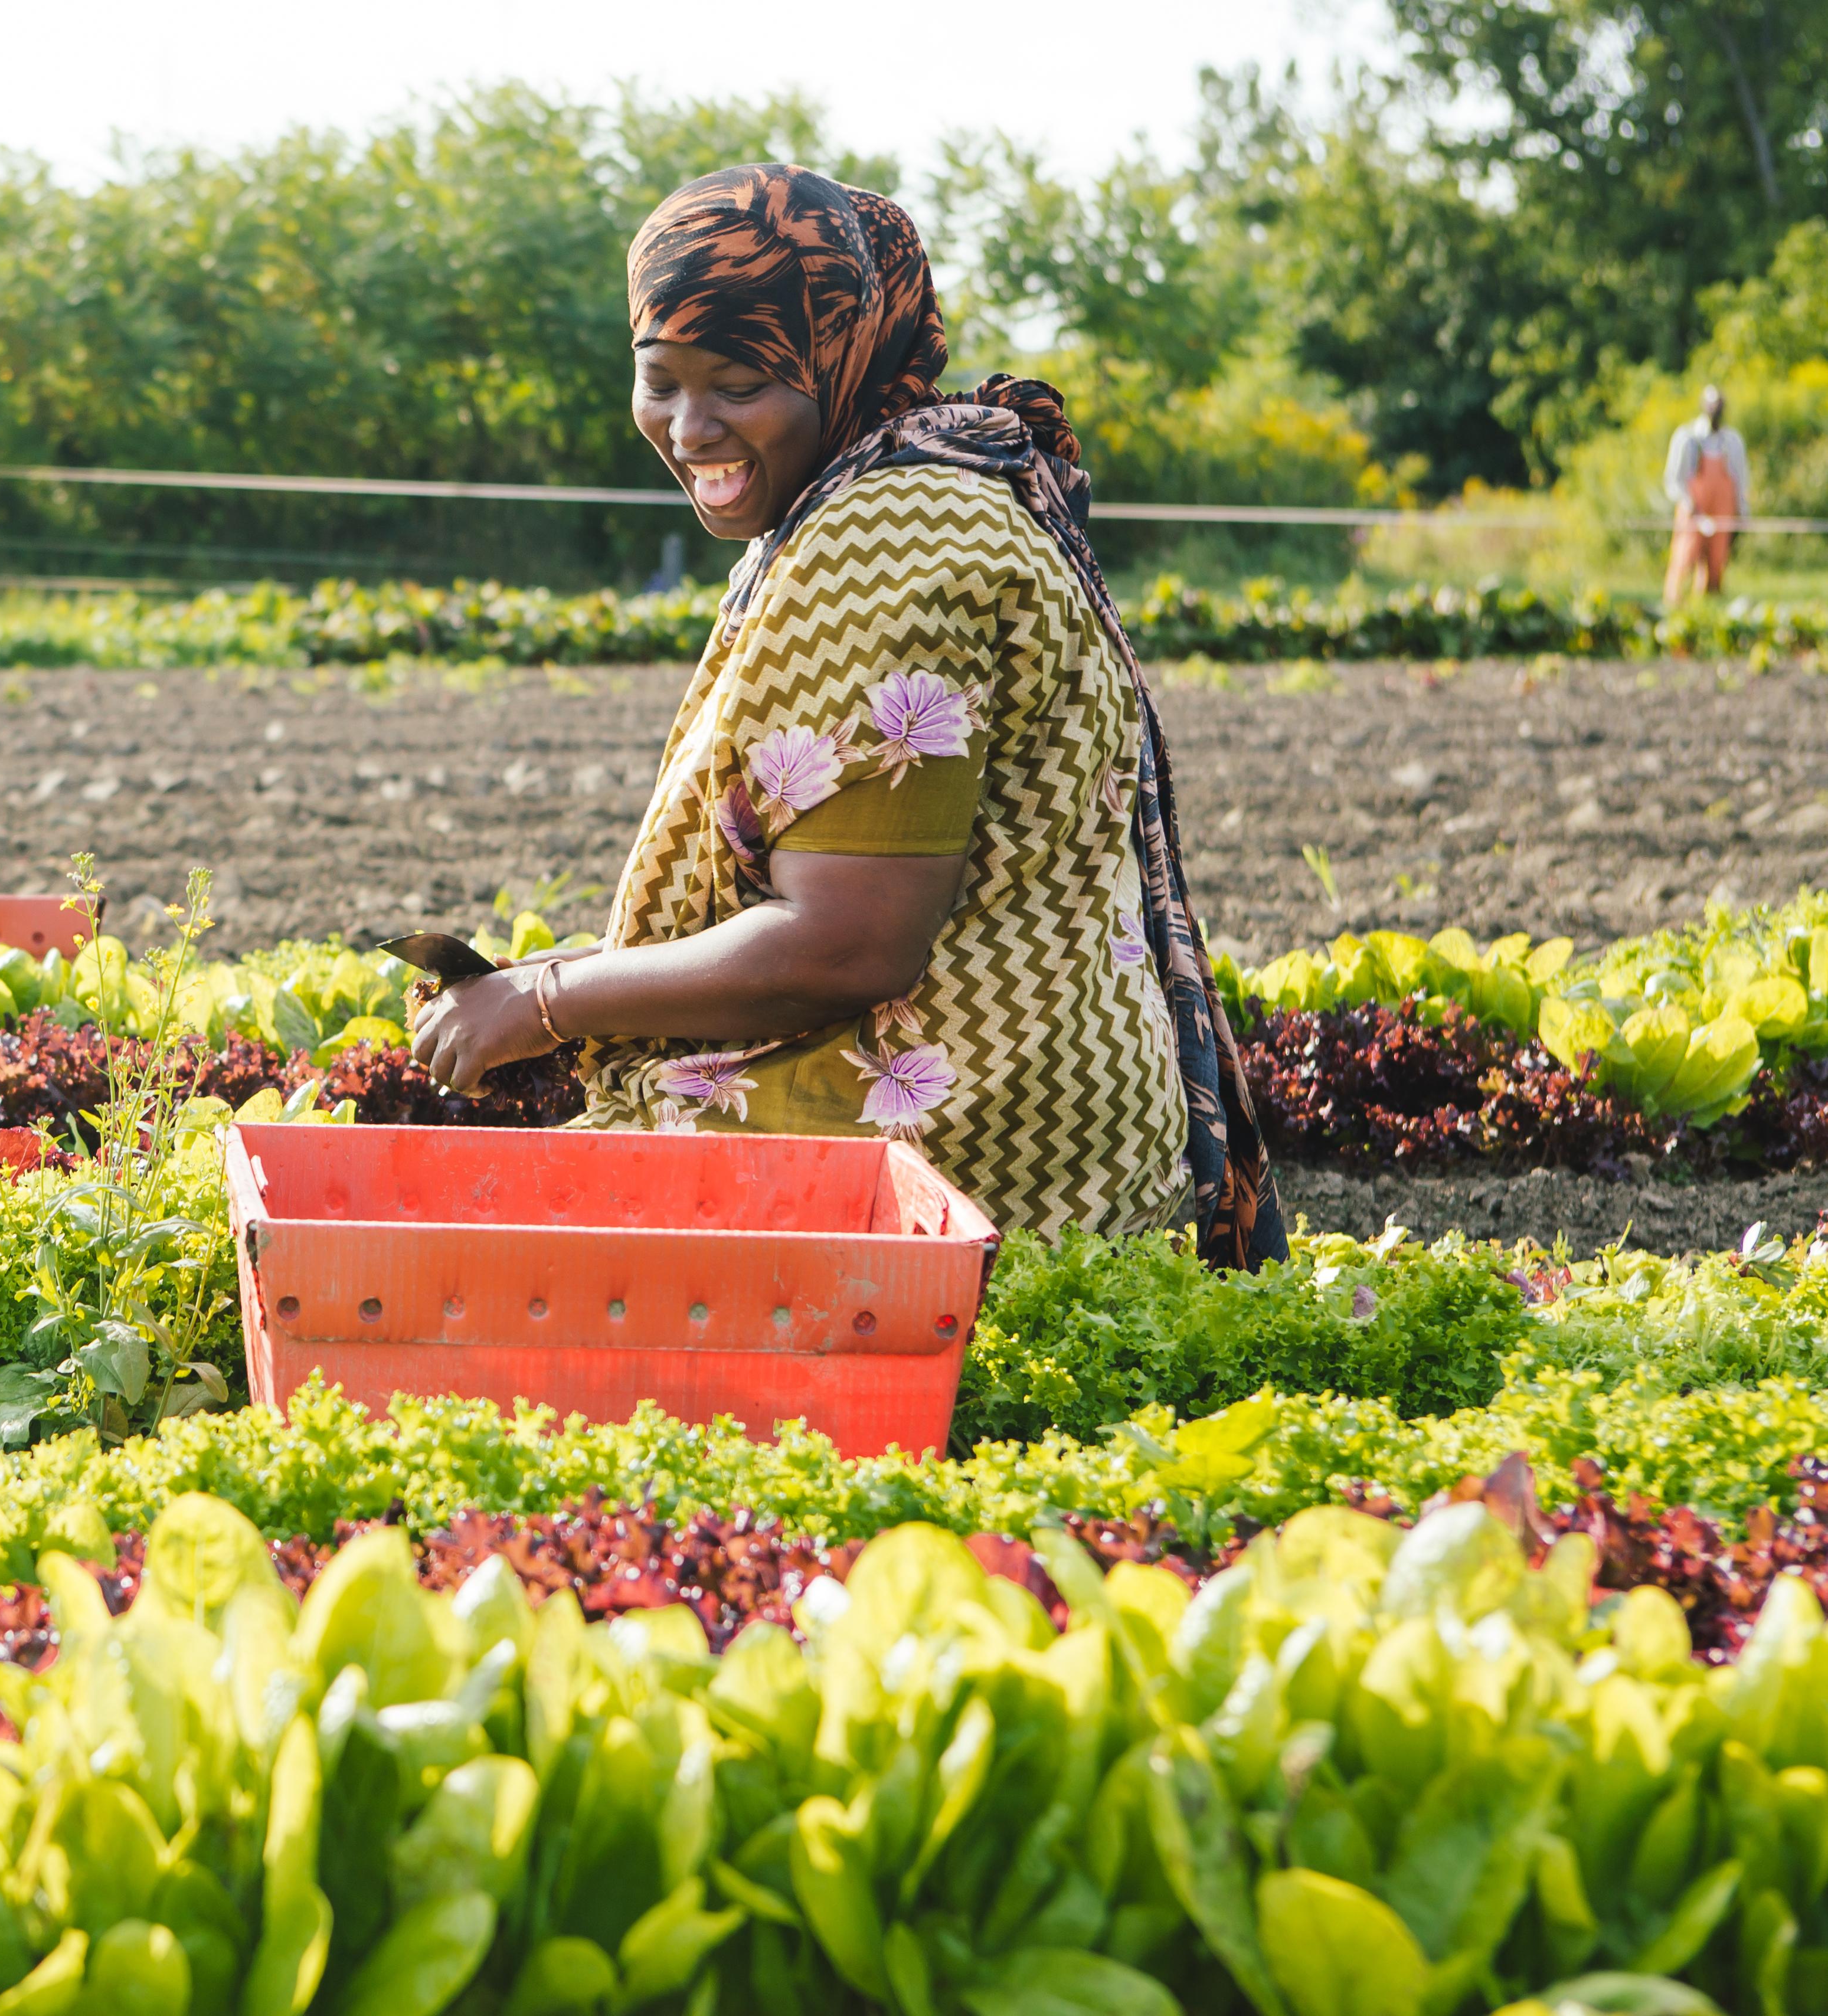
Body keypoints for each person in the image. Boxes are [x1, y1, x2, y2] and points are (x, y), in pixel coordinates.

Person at [408, 165, 1282, 1265]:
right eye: (658, 380)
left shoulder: (895, 535)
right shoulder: (917, 483)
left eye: (736, 383)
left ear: (839, 358)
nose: (687, 427)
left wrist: (544, 1000)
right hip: (1044, 1099)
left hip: (960, 1155)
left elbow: (847, 941)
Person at [1663, 385, 1749, 604]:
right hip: (1693, 511)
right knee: (1684, 559)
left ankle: (1709, 607)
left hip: (1722, 512)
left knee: (1717, 563)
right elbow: (1674, 479)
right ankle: (1675, 606)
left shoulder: (1732, 442)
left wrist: (1743, 511)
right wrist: (1688, 503)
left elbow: (1741, 479)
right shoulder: (1688, 438)